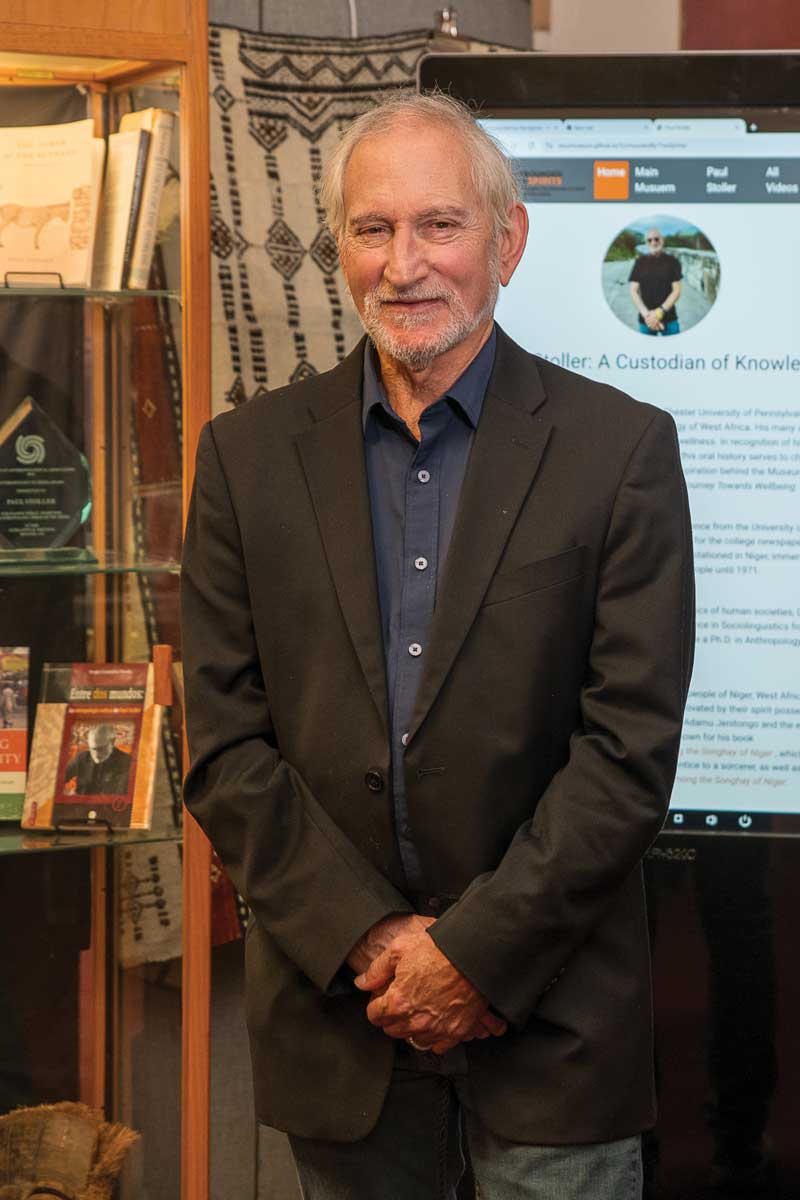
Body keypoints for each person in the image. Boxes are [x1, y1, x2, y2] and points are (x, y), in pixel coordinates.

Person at [181, 91, 694, 1200]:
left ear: (506, 241)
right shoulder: (244, 460)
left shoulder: (620, 452)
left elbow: (626, 753)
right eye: (372, 229)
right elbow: (223, 746)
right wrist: (373, 941)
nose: (403, 264)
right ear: (339, 248)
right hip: (342, 1021)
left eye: (439, 225)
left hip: (552, 1028)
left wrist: (469, 958)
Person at [629, 227, 682, 335]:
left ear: (662, 240)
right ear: (646, 243)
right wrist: (648, 316)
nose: (653, 242)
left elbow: (676, 291)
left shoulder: (673, 261)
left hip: (669, 319)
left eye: (656, 239)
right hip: (646, 320)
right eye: (650, 240)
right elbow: (633, 291)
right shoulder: (639, 262)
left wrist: (658, 313)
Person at [65, 723, 131, 796]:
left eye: (101, 749)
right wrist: (67, 795)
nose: (96, 755)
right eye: (93, 749)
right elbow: (59, 778)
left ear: (112, 742)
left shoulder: (127, 763)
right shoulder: (81, 758)